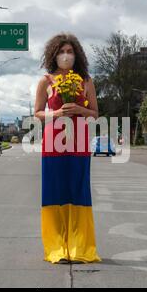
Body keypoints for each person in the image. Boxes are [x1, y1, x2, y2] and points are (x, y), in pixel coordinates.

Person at [34, 33, 101, 264]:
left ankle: (80, 247)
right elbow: (37, 113)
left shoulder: (86, 80)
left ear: (77, 55)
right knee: (54, 192)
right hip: (53, 144)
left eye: (70, 51)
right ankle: (56, 248)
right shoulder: (46, 81)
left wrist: (80, 111)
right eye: (61, 51)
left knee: (78, 192)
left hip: (80, 143)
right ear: (54, 54)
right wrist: (58, 113)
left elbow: (95, 113)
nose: (65, 55)